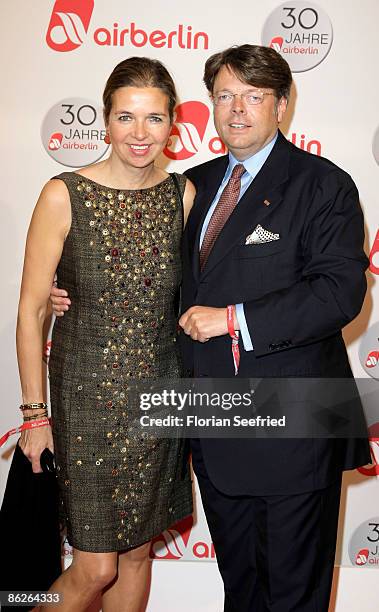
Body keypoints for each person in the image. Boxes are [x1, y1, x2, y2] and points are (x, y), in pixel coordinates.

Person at [51, 45, 370, 611]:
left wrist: (234, 320)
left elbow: (338, 292)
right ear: (210, 106)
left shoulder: (323, 184)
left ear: (281, 105)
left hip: (296, 422)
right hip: (214, 420)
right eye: (225, 96)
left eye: (254, 96)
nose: (238, 110)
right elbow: (151, 275)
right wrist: (74, 292)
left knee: (294, 594)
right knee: (242, 590)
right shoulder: (191, 188)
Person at [17, 56, 194, 612]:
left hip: (159, 398)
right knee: (94, 568)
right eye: (125, 117)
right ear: (104, 120)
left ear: (173, 124)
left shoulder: (183, 198)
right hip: (85, 402)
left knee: (138, 556)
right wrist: (34, 416)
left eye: (154, 119)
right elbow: (29, 311)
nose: (139, 134)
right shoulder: (63, 193)